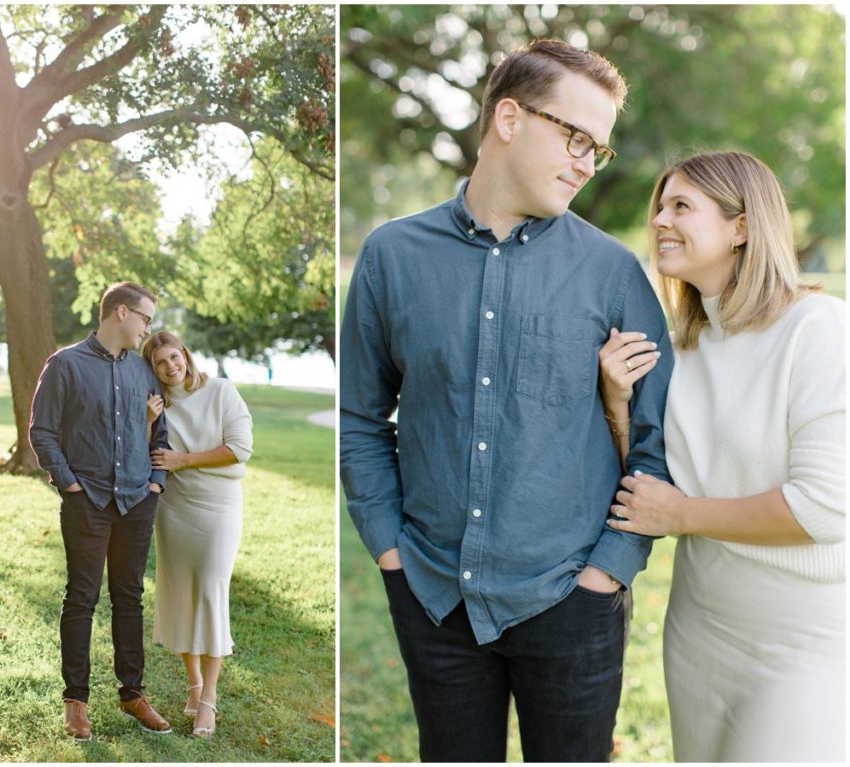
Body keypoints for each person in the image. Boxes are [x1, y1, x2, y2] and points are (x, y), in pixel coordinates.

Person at [340, 39, 673, 762]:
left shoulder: (615, 274)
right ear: (511, 118)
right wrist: (390, 550)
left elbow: (657, 443)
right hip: (432, 592)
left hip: (572, 597)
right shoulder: (391, 257)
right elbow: (361, 419)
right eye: (576, 137)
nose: (588, 162)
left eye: (599, 149)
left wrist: (606, 571)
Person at [598, 151, 845, 762]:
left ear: (741, 226)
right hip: (700, 631)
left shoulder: (818, 330)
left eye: (682, 205)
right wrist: (617, 403)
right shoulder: (681, 345)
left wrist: (682, 516)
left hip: (803, 643)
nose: (659, 218)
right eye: (660, 204)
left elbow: (826, 508)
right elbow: (653, 485)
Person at [29, 281, 173, 741]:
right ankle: (76, 701)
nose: (149, 328)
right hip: (86, 500)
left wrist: (156, 483)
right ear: (122, 313)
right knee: (82, 598)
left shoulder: (144, 372)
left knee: (129, 597)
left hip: (136, 500)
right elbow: (42, 431)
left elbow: (160, 436)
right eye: (146, 318)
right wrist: (69, 484)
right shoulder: (65, 364)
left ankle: (133, 694)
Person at [141, 331, 253, 739]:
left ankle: (209, 701)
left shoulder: (221, 391)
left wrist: (182, 460)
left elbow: (239, 448)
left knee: (209, 592)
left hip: (218, 507)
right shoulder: (158, 406)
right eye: (160, 363)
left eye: (175, 357)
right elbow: (143, 456)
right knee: (180, 593)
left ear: (185, 355)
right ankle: (193, 685)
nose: (171, 367)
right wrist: (149, 421)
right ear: (151, 370)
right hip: (174, 510)